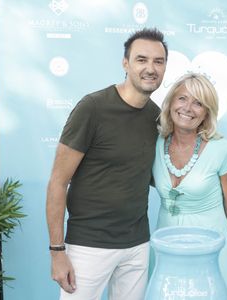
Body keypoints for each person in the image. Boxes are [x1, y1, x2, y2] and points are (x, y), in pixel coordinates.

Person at [46, 28, 168, 300]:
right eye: (141, 59)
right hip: (88, 246)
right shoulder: (92, 108)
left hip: (138, 245)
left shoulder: (157, 117)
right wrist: (57, 252)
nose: (150, 68)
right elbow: (58, 181)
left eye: (158, 61)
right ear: (125, 64)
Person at [152, 73, 227, 299]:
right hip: (166, 245)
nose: (188, 108)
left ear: (207, 112)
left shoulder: (222, 149)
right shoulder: (155, 143)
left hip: (211, 250)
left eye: (198, 103)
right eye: (182, 98)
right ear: (171, 103)